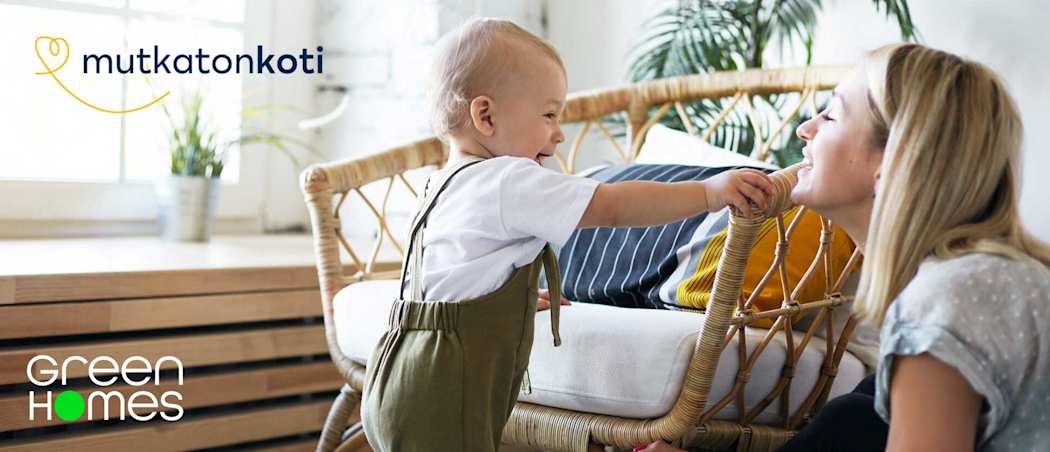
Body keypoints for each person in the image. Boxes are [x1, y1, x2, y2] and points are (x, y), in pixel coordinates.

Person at [360, 18, 775, 452]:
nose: (558, 133)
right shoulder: (509, 179)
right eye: (548, 115)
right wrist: (707, 193)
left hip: (393, 376)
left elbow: (448, 281)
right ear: (486, 116)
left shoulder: (440, 183)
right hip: (442, 393)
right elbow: (613, 207)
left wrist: (508, 301)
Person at [637, 42, 1050, 452]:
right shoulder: (992, 280)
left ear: (893, 159)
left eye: (831, 115)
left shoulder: (941, 302)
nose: (805, 129)